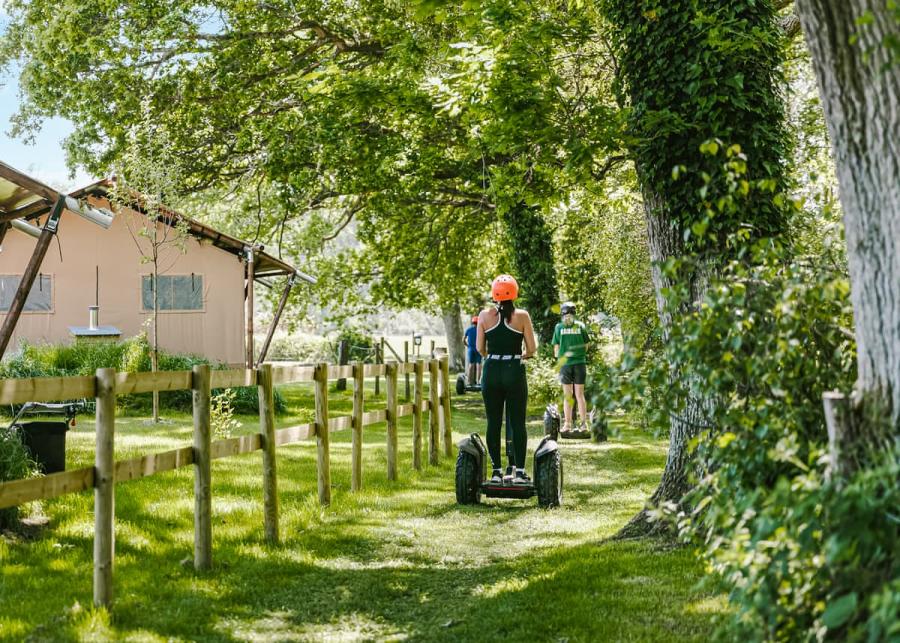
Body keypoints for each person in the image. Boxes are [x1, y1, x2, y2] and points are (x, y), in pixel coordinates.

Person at [476, 274, 537, 484]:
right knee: (518, 422)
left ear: (494, 294)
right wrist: (520, 356)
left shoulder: (484, 316)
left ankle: (496, 472)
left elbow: (479, 348)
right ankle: (519, 472)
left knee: (493, 422)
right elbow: (531, 349)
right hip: (514, 370)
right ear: (515, 293)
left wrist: (492, 357)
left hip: (491, 370)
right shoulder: (522, 316)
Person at [551, 302, 591, 432]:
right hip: (580, 363)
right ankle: (583, 425)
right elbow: (586, 346)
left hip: (565, 365)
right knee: (580, 395)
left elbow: (556, 348)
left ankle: (567, 425)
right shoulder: (580, 326)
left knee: (568, 395)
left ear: (562, 314)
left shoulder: (559, 327)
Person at [463, 315, 482, 386]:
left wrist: (467, 345)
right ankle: (478, 381)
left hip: (471, 349)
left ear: (472, 322)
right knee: (479, 365)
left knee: (471, 365)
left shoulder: (468, 329)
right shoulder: (480, 330)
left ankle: (469, 381)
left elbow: (463, 339)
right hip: (478, 348)